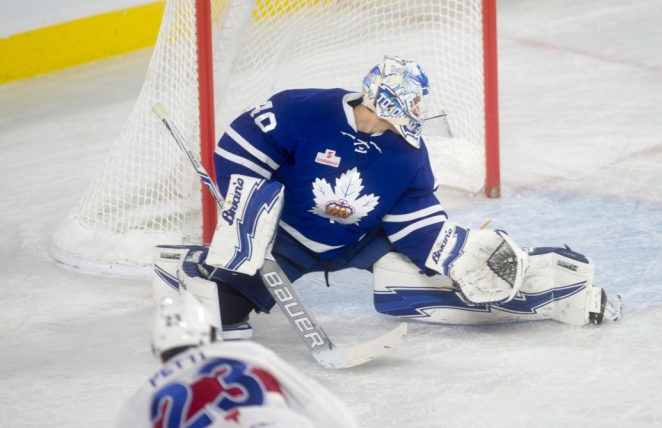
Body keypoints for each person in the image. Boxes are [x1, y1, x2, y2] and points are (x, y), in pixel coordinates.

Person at [153, 55, 622, 339]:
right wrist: (247, 204)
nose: (414, 115)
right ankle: (190, 270)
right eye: (409, 105)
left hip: (364, 239)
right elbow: (240, 145)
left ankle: (555, 290)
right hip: (286, 239)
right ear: (383, 100)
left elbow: (415, 218)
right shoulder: (305, 109)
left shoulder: (408, 155)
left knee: (430, 290)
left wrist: (455, 256)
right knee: (215, 317)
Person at [114, 292, 361, 428]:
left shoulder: (143, 398)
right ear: (212, 335)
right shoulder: (249, 354)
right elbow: (338, 425)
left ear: (156, 349)